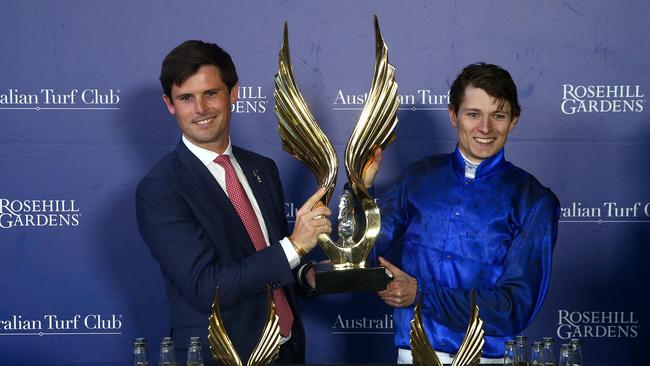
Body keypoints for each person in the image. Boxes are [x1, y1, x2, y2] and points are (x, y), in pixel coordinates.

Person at [135, 40, 331, 365]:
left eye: (210, 93)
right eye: (186, 98)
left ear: (233, 94)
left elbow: (263, 257)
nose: (201, 108)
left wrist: (304, 272)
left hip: (287, 350)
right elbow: (206, 286)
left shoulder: (262, 169)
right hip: (221, 356)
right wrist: (295, 247)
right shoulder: (161, 189)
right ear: (170, 104)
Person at [363, 63, 560, 364]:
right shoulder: (417, 177)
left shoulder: (534, 200)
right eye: (473, 114)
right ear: (453, 115)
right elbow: (363, 251)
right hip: (411, 355)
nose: (485, 128)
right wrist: (360, 188)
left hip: (487, 360)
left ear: (514, 120)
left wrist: (422, 293)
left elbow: (515, 308)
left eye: (498, 115)